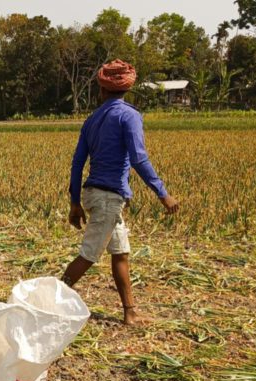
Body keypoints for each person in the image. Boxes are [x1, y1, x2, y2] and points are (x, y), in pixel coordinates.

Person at [62, 59, 180, 326]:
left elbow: (78, 162)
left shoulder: (92, 119)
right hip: (108, 198)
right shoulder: (129, 116)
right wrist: (163, 194)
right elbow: (138, 158)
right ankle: (47, 301)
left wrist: (75, 202)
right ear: (128, 88)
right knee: (89, 254)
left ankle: (130, 312)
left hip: (98, 195)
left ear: (102, 89)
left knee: (121, 253)